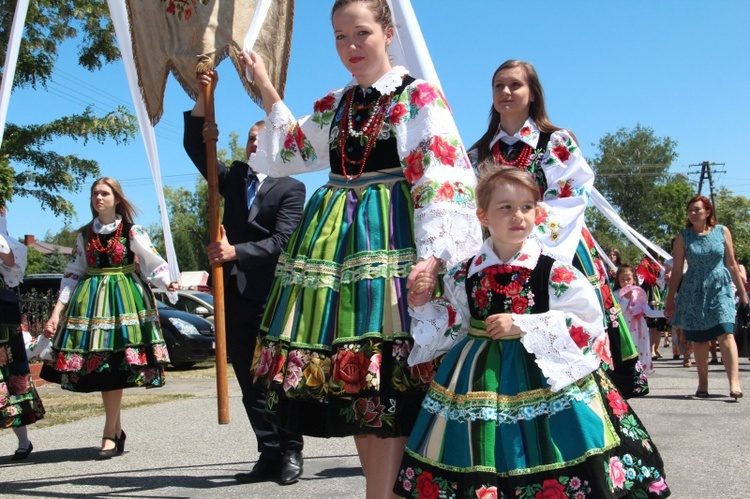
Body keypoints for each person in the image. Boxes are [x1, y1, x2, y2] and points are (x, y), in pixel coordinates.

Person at [241, 0, 482, 495]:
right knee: (356, 382)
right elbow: (292, 152)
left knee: (387, 377)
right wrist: (265, 87)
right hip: (335, 253)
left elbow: (444, 178)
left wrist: (434, 257)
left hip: (390, 242)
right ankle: (380, 492)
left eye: (361, 33)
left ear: (388, 32)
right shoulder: (336, 104)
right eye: (338, 36)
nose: (350, 46)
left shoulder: (417, 98)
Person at [394, 169, 669, 498]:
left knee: (560, 452)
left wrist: (524, 324)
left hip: (546, 377)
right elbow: (455, 324)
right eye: (505, 207)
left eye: (526, 207)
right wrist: (423, 303)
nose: (518, 216)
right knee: (480, 451)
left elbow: (588, 321)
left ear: (538, 213)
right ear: (483, 215)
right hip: (477, 378)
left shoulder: (554, 270)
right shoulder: (463, 272)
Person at [468, 59, 647, 398]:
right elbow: (468, 206)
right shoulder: (479, 152)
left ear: (533, 93)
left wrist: (526, 245)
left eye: (515, 85)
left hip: (556, 250)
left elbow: (570, 196)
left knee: (568, 339)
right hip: (497, 256)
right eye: (498, 86)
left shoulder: (555, 141)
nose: (505, 92)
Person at [183, 77, 307, 485]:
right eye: (251, 139)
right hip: (232, 295)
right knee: (247, 378)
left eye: (263, 138)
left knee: (274, 377)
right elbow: (194, 147)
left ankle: (290, 450)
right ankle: (267, 451)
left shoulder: (291, 187)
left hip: (273, 296)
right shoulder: (232, 178)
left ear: (277, 146)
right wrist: (205, 98)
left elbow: (283, 241)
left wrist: (236, 251)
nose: (255, 144)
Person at [41, 177, 180, 459]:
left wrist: (168, 282)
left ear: (116, 198)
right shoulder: (84, 234)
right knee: (104, 366)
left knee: (114, 365)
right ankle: (114, 432)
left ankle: (109, 433)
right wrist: (57, 312)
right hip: (91, 304)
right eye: (95, 193)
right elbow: (72, 273)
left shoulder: (131, 230)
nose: (98, 198)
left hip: (126, 301)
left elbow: (151, 259)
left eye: (104, 193)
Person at [665, 195, 748, 400]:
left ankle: (734, 383)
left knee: (725, 331)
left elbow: (731, 263)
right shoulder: (683, 237)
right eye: (690, 210)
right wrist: (670, 299)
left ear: (708, 212)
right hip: (694, 289)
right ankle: (703, 384)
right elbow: (676, 271)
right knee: (700, 337)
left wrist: (743, 293)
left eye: (697, 210)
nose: (693, 214)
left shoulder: (722, 231)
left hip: (720, 286)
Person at [0, 207, 45, 460]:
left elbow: (10, 262)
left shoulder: (5, 241)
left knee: (9, 381)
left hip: (2, 326)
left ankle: (23, 441)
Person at [615, 264, 655, 374]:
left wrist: (664, 313)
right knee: (629, 352)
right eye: (622, 279)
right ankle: (630, 376)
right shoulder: (616, 294)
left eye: (628, 279)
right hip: (625, 328)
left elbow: (648, 311)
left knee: (641, 351)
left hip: (640, 329)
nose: (626, 282)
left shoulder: (639, 293)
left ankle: (641, 377)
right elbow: (618, 311)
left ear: (634, 279)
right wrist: (626, 298)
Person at [637, 251, 669, 360]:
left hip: (659, 291)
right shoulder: (644, 263)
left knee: (658, 325)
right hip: (649, 291)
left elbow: (663, 277)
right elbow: (641, 277)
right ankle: (651, 349)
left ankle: (656, 348)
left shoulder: (659, 264)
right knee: (651, 323)